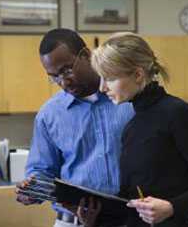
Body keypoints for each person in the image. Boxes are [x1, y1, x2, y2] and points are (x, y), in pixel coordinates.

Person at [82, 32, 188, 227]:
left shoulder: (179, 113)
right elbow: (128, 199)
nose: (102, 88)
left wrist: (171, 207)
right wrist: (94, 217)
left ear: (138, 75)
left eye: (109, 79)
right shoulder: (131, 126)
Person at [15, 28, 134, 227]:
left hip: (128, 220)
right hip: (72, 222)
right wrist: (32, 192)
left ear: (86, 55)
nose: (63, 81)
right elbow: (42, 171)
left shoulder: (128, 101)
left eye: (67, 70)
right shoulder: (49, 115)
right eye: (54, 77)